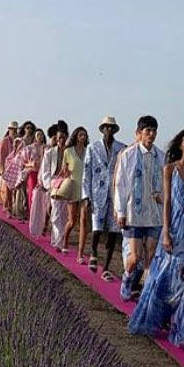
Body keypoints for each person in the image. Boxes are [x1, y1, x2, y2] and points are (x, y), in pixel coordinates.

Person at [128, 129, 184, 351]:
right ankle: (154, 317)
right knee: (163, 277)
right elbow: (168, 202)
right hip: (175, 229)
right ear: (181, 145)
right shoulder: (170, 170)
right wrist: (166, 233)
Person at [113, 115, 165, 302]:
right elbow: (121, 184)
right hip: (133, 213)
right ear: (139, 133)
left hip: (154, 214)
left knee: (151, 255)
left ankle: (146, 291)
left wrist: (163, 197)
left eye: (154, 131)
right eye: (147, 131)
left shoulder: (161, 156)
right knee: (135, 257)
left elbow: (166, 184)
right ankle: (127, 279)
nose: (151, 134)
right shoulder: (129, 155)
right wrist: (120, 211)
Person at [82, 116, 126, 280]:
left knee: (114, 231)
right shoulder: (93, 148)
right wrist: (86, 196)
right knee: (97, 227)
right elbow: (87, 173)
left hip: (115, 195)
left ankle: (106, 267)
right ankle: (93, 252)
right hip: (97, 192)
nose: (108, 130)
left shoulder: (121, 148)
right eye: (106, 127)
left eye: (111, 128)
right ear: (102, 129)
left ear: (114, 130)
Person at [46, 125, 70, 249]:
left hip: (66, 183)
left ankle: (61, 239)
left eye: (64, 137)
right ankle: (56, 240)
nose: (61, 140)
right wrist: (49, 185)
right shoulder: (50, 152)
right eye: (60, 137)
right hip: (54, 182)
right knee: (55, 212)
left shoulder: (70, 152)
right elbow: (45, 170)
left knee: (64, 213)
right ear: (56, 138)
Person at [0, 122, 19, 208]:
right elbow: (1, 155)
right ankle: (6, 206)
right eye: (12, 129)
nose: (14, 131)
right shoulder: (5, 140)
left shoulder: (18, 140)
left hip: (15, 168)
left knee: (13, 189)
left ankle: (11, 207)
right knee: (5, 188)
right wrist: (2, 168)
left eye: (15, 129)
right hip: (6, 168)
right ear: (9, 130)